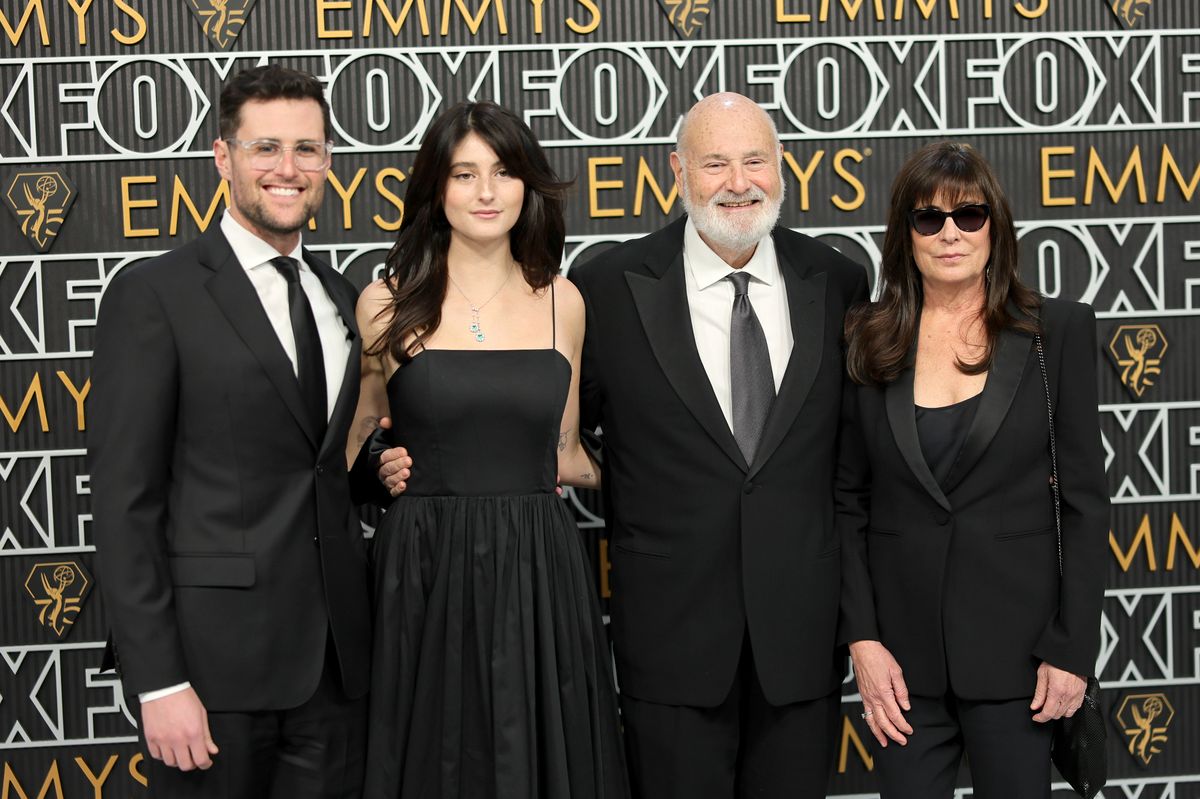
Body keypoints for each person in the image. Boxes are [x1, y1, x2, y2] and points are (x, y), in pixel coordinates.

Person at [374, 91, 870, 797]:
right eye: (716, 162)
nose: (738, 182)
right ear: (677, 170)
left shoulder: (839, 280)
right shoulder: (605, 288)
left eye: (756, 160)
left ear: (782, 168)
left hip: (803, 643)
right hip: (668, 642)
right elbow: (553, 432)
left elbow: (853, 467)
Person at [88, 65, 371, 798]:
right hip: (213, 676)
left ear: (328, 162)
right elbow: (126, 504)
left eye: (307, 149)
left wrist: (380, 468)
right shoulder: (156, 295)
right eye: (265, 147)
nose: (288, 168)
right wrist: (158, 682)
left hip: (337, 670)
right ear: (224, 158)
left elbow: (316, 464)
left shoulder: (340, 295)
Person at [349, 100, 627, 798]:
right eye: (464, 174)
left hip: (539, 563)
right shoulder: (384, 302)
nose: (485, 192)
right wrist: (376, 470)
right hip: (424, 561)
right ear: (435, 189)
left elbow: (564, 452)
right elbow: (357, 444)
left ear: (527, 185)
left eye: (503, 172)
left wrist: (675, 474)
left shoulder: (563, 299)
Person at [837, 142, 1110, 798]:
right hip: (903, 667)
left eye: (969, 215)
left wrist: (1073, 648)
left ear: (997, 226)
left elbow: (1085, 501)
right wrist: (864, 641)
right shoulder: (868, 338)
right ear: (905, 234)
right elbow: (847, 500)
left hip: (1022, 659)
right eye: (928, 219)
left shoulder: (1057, 332)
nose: (950, 233)